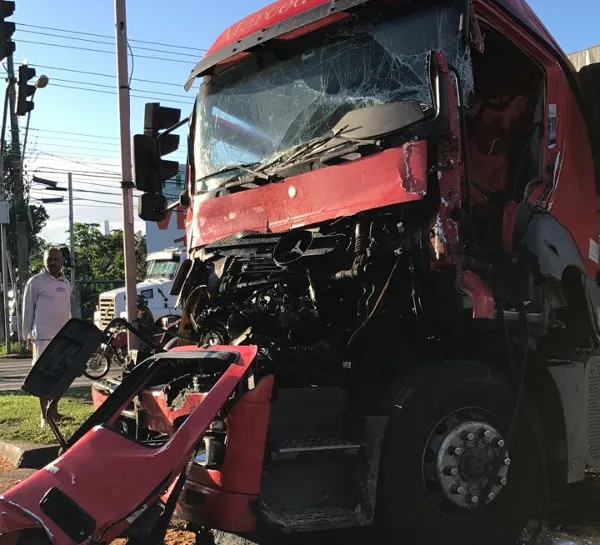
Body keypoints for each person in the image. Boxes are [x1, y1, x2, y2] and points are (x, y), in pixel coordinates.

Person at [22, 247, 72, 427]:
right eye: (50, 259)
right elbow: (27, 310)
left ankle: (54, 412)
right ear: (44, 261)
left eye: (56, 259)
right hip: (42, 338)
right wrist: (27, 335)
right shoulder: (35, 282)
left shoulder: (66, 282)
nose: (53, 262)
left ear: (62, 261)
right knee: (43, 377)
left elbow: (67, 310)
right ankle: (44, 416)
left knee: (59, 376)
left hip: (62, 338)